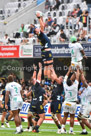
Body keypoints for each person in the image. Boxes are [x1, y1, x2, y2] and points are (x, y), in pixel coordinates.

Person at [23, 63, 48, 133]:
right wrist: (40, 68)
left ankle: (30, 127)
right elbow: (39, 76)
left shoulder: (33, 86)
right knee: (42, 117)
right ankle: (36, 128)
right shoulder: (36, 85)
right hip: (38, 104)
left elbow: (34, 76)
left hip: (33, 103)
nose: (35, 79)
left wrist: (34, 70)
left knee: (29, 116)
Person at [34, 11, 54, 86]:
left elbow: (42, 26)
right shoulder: (40, 34)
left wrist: (41, 17)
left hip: (43, 52)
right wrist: (39, 18)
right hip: (47, 51)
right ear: (36, 32)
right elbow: (42, 26)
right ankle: (48, 81)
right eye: (37, 29)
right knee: (49, 66)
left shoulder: (40, 35)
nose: (38, 28)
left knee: (46, 67)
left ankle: (46, 80)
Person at [61, 66, 80, 134]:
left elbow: (65, 78)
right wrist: (77, 70)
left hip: (66, 102)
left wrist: (69, 71)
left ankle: (63, 129)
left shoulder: (65, 86)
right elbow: (77, 78)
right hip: (72, 103)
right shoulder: (75, 86)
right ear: (72, 82)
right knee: (72, 117)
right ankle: (71, 130)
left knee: (65, 116)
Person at [49, 69, 63, 134]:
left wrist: (53, 69)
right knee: (53, 115)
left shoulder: (61, 84)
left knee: (58, 116)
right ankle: (59, 127)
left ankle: (63, 129)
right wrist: (51, 71)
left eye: (59, 78)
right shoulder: (55, 82)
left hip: (57, 101)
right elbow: (53, 76)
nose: (57, 79)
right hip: (53, 101)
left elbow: (55, 77)